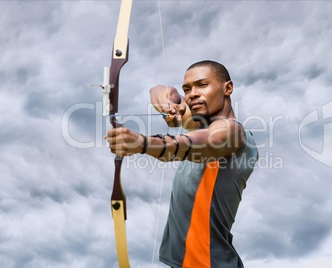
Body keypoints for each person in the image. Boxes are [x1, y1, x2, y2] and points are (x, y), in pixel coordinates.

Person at [105, 60, 258, 267]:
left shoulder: (233, 132)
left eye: (202, 85)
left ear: (227, 88)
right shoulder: (198, 124)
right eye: (187, 89)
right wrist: (169, 105)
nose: (192, 93)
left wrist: (143, 144)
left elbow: (202, 143)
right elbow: (158, 90)